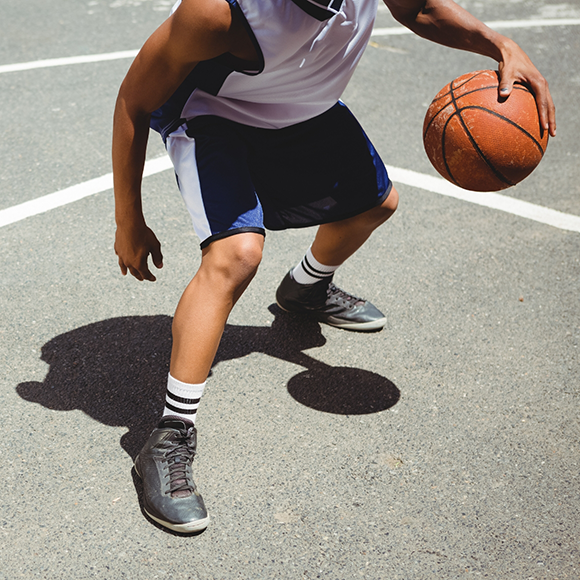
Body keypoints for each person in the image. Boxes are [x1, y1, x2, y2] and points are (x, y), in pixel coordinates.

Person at [112, 0, 556, 532]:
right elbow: (133, 102)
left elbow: (420, 8)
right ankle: (169, 437)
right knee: (237, 255)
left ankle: (305, 289)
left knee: (377, 204)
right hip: (214, 115)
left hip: (301, 109)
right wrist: (128, 220)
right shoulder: (218, 13)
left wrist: (500, 45)